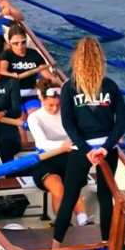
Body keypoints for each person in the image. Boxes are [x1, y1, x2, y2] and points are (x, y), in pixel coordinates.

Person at [52, 37, 125, 248]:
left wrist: (86, 150)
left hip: (81, 149)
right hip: (107, 149)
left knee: (70, 195)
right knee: (106, 196)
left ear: (76, 59)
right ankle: (106, 243)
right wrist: (105, 148)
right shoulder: (110, 86)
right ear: (100, 59)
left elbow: (68, 123)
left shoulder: (68, 87)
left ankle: (55, 245)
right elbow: (122, 122)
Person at [27, 84, 89, 227]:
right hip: (46, 160)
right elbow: (42, 143)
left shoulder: (68, 113)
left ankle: (83, 221)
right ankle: (63, 222)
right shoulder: (34, 118)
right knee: (59, 190)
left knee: (72, 187)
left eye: (57, 105)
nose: (55, 109)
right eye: (50, 105)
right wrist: (64, 145)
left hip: (69, 158)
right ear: (41, 99)